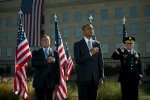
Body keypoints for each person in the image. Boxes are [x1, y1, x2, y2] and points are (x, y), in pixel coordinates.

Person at [73, 23, 104, 100]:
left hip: (95, 80)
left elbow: (100, 62)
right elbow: (78, 60)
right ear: (83, 31)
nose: (91, 30)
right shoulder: (77, 44)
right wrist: (90, 53)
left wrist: (101, 77)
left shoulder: (97, 44)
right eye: (89, 28)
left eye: (92, 28)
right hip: (83, 79)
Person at [111, 36, 142, 100]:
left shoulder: (137, 54)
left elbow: (139, 66)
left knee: (135, 95)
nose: (130, 45)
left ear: (133, 44)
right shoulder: (122, 52)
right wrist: (120, 49)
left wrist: (140, 77)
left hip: (135, 78)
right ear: (125, 44)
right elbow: (113, 57)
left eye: (131, 43)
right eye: (128, 43)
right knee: (125, 95)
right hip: (125, 78)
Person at [31, 35, 60, 100]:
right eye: (44, 40)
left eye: (47, 40)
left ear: (50, 42)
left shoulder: (55, 53)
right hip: (39, 83)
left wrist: (57, 83)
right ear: (41, 42)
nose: (46, 41)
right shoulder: (36, 52)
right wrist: (46, 61)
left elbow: (57, 69)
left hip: (51, 83)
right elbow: (33, 64)